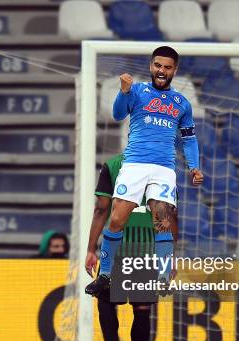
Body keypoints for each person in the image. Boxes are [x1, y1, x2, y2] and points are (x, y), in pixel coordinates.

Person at [85, 46, 203, 298]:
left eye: (167, 67)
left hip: (164, 168)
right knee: (116, 219)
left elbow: (189, 139)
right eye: (158, 66)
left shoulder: (182, 103)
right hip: (135, 164)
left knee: (162, 221)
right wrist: (124, 91)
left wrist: (194, 166)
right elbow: (118, 114)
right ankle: (105, 276)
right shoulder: (137, 91)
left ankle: (162, 277)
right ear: (151, 66)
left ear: (175, 70)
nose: (162, 71)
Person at [85, 154, 179, 341]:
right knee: (142, 310)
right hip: (146, 248)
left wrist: (90, 249)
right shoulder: (162, 167)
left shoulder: (113, 166)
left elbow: (101, 209)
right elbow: (167, 218)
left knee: (105, 302)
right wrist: (168, 259)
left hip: (115, 246)